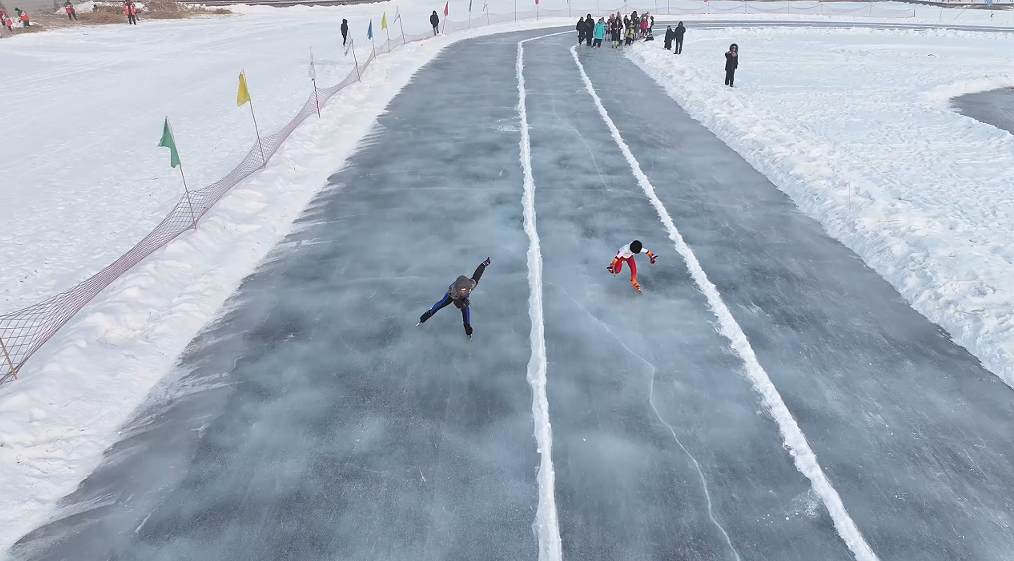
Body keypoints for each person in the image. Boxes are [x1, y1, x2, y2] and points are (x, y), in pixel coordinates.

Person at [418, 258, 491, 338]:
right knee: (440, 305)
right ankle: (423, 318)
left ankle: (468, 331)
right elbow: (457, 304)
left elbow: (477, 274)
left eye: (465, 291)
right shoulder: (453, 292)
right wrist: (464, 304)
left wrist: (484, 264)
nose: (464, 292)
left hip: (462, 295)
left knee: (466, 315)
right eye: (462, 291)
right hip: (452, 296)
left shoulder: (471, 284)